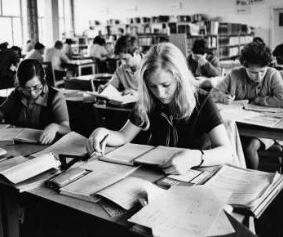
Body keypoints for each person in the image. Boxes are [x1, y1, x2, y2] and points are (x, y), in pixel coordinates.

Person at [87, 43, 233, 174]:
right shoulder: (148, 100)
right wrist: (102, 132)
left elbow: (226, 152)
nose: (160, 94)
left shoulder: (202, 101)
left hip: (196, 172)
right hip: (159, 173)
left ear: (179, 78)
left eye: (166, 85)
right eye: (152, 86)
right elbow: (124, 136)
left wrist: (195, 157)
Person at [211, 41, 283, 169]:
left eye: (262, 71)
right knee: (227, 147)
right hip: (240, 126)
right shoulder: (235, 74)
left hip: (266, 128)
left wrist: (257, 101)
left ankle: (250, 177)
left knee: (250, 149)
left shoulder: (273, 74)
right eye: (253, 73)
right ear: (245, 66)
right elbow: (213, 93)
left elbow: (281, 99)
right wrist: (223, 98)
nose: (259, 77)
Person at [0, 59, 71, 144]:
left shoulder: (55, 97)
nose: (32, 93)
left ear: (44, 78)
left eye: (36, 87)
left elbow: (66, 128)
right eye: (26, 89)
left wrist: (55, 127)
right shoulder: (17, 94)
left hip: (46, 148)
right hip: (18, 146)